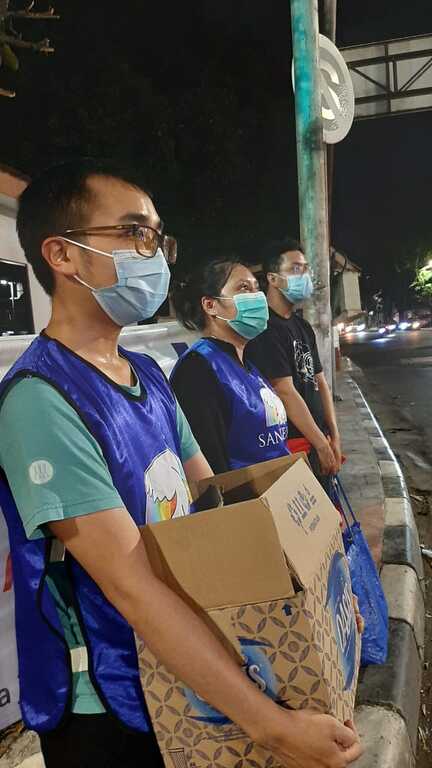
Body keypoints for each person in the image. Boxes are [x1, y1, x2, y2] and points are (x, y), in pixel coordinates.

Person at [0, 162, 362, 768]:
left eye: (158, 237)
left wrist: (321, 591)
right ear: (63, 254)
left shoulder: (145, 374)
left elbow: (216, 502)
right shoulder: (41, 400)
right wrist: (272, 727)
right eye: (135, 233)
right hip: (110, 699)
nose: (155, 253)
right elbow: (132, 587)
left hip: (187, 670)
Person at [170, 259, 290, 473]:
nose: (256, 297)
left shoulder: (248, 365)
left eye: (257, 288)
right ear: (210, 305)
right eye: (243, 288)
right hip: (246, 501)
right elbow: (211, 469)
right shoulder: (198, 369)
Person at [246, 238, 342, 495]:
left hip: (318, 440)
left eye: (306, 269)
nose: (305, 276)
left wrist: (334, 435)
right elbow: (284, 390)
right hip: (293, 446)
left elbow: (320, 381)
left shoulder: (302, 326)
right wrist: (321, 444)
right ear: (273, 279)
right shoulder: (265, 329)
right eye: (296, 269)